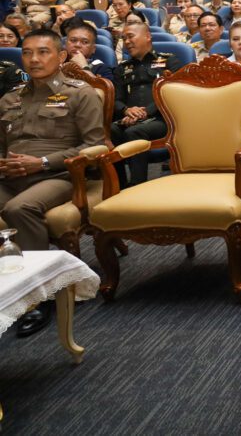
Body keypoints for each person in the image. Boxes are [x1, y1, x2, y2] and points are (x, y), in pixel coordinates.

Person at [0, 29, 105, 336]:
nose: (34, 59)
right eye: (27, 53)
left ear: (60, 57)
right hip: (11, 175)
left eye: (43, 52)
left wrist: (43, 162)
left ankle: (40, 295)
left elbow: (95, 146)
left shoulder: (80, 93)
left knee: (20, 208)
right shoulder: (10, 98)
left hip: (59, 175)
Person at [111, 23, 184, 187]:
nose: (126, 41)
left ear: (147, 36)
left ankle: (137, 185)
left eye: (130, 36)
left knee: (134, 131)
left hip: (162, 119)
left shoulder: (169, 61)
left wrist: (146, 112)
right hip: (131, 118)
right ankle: (119, 185)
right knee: (112, 130)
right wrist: (126, 110)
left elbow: (174, 92)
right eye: (124, 38)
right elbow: (116, 99)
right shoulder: (123, 68)